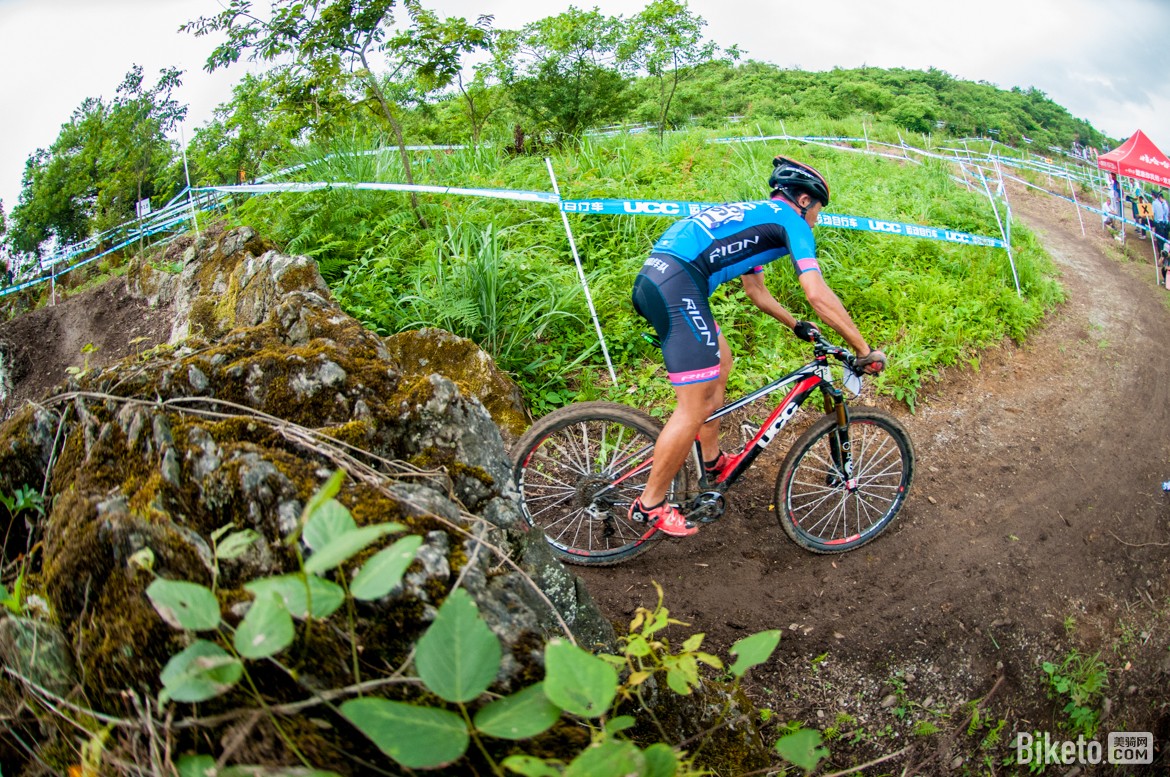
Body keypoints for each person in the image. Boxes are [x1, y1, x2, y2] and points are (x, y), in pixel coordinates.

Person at [627, 157, 887, 536]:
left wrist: (796, 325)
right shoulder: (792, 222)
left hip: (662, 281)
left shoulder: (754, 217)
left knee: (721, 363)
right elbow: (816, 292)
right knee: (693, 405)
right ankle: (650, 504)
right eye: (818, 210)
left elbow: (756, 292)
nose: (817, 219)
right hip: (677, 287)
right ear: (803, 200)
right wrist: (863, 349)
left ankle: (712, 461)